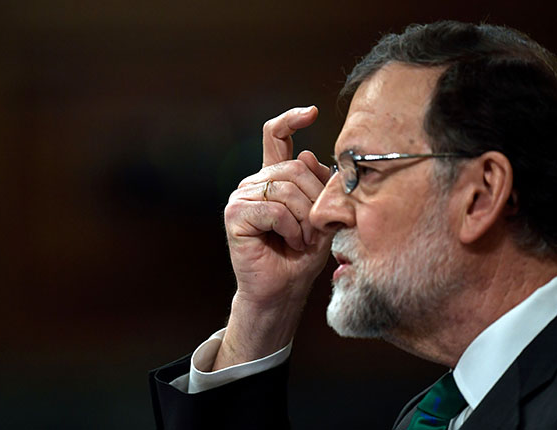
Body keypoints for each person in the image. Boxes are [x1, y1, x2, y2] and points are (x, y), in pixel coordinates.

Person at [149, 21, 557, 429]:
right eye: (338, 172)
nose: (321, 211)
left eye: (362, 170)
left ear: (480, 195)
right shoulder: (439, 413)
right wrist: (264, 312)